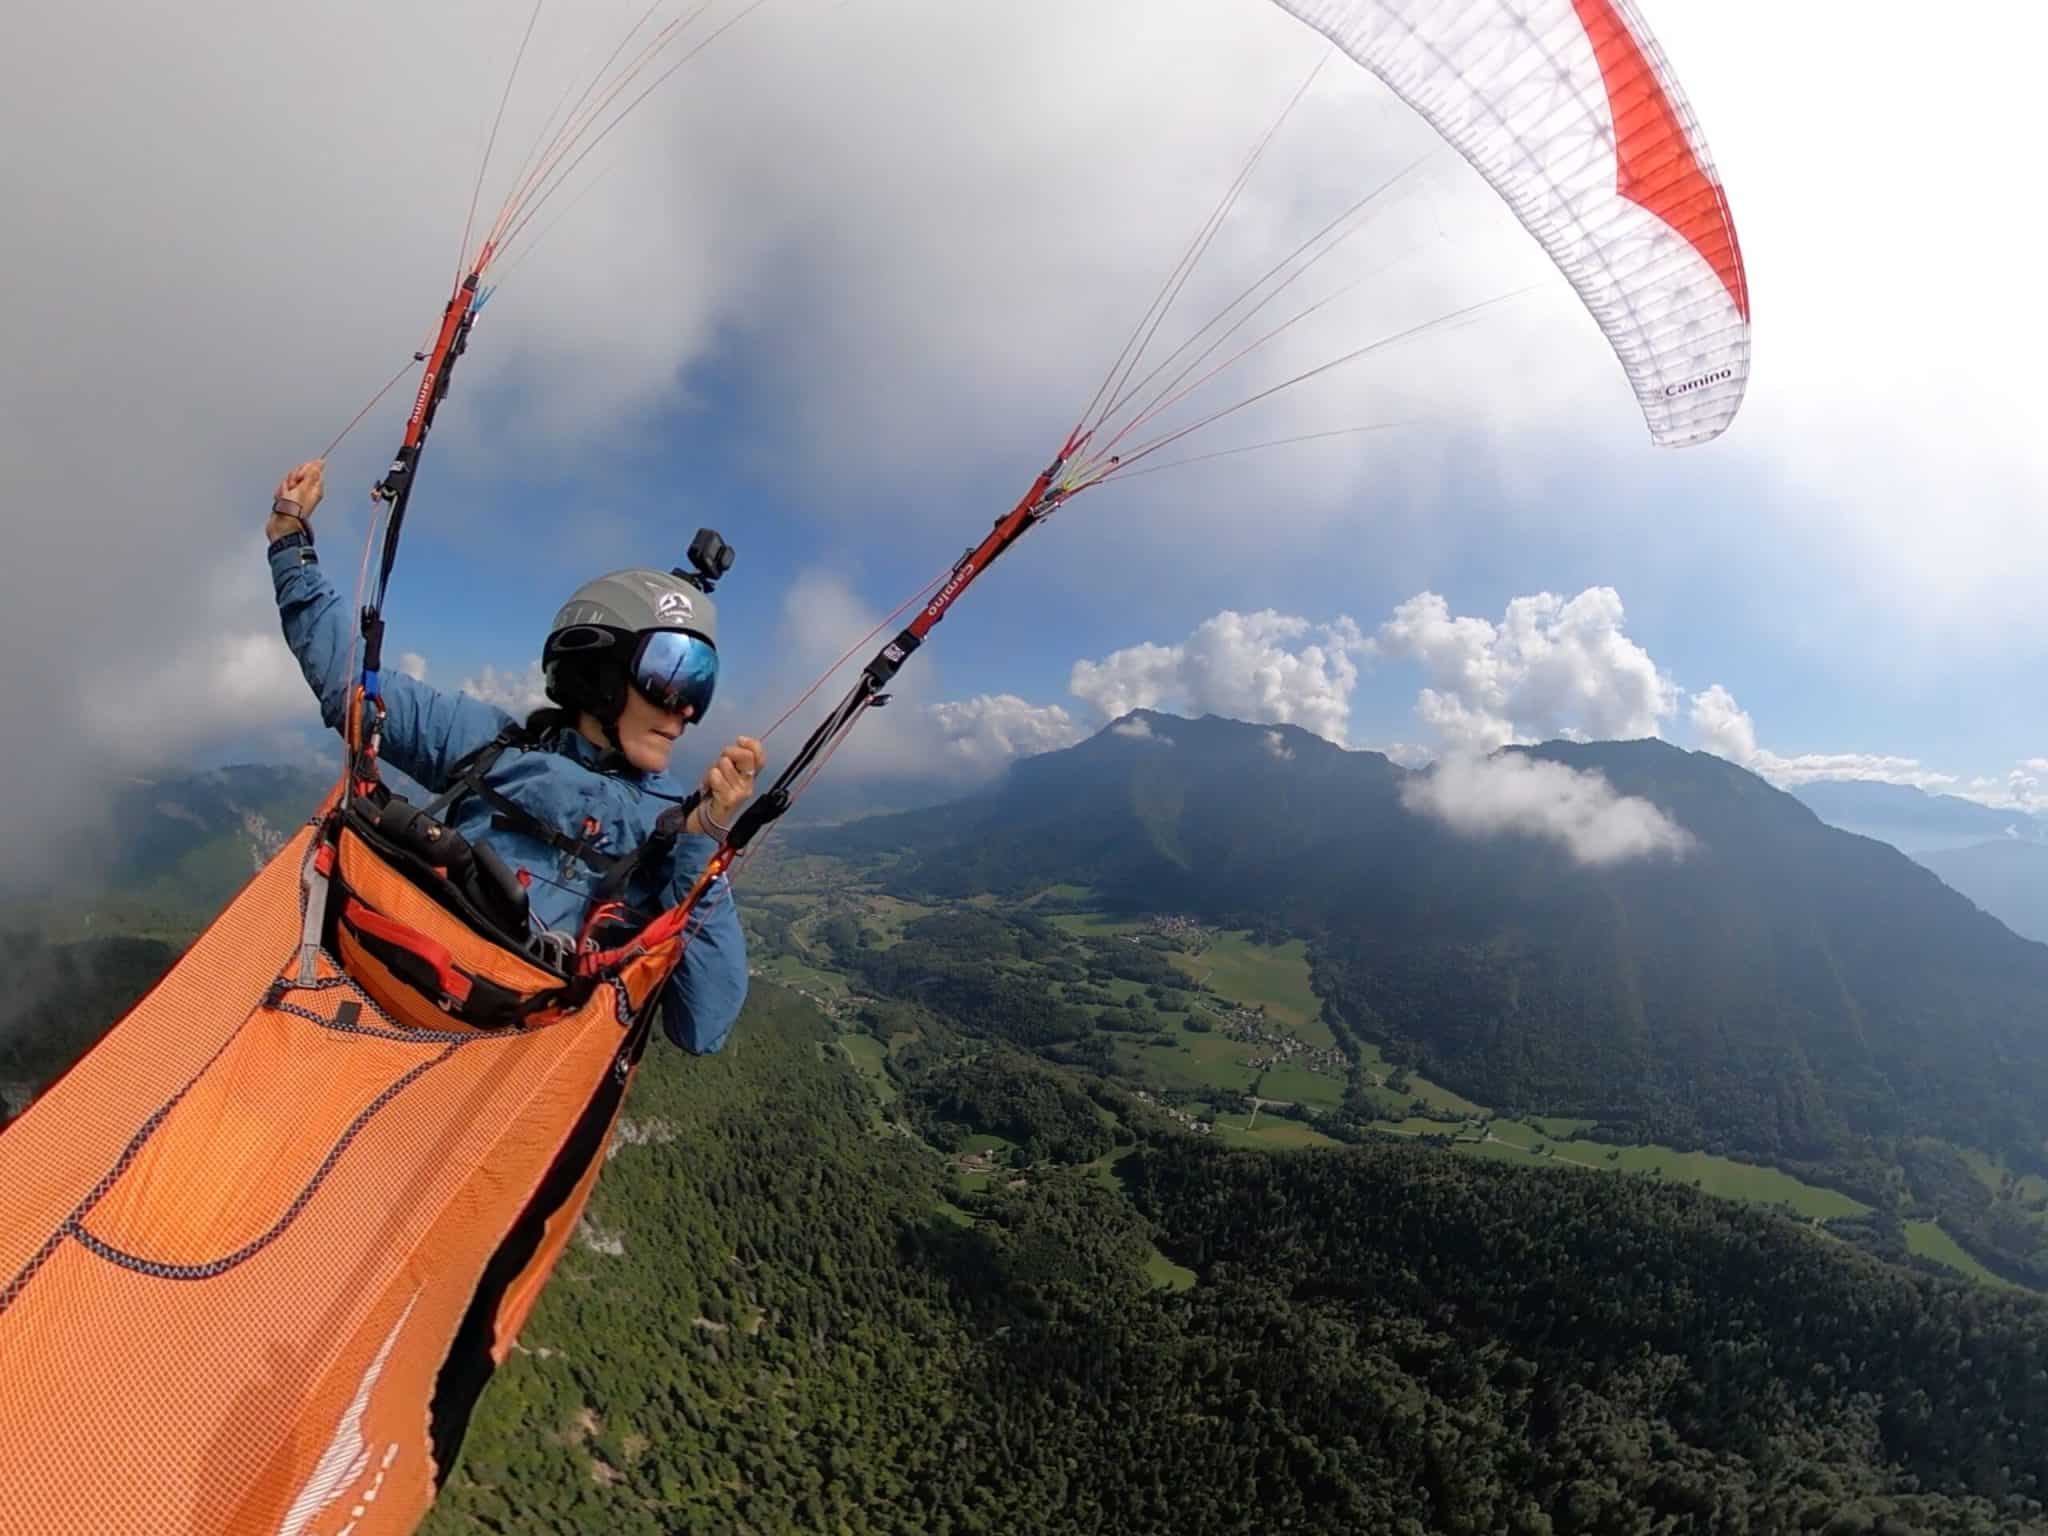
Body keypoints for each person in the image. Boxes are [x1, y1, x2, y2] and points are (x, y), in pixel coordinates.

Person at [265, 458, 765, 1054]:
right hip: (383, 1024)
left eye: (699, 688)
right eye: (671, 677)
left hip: (499, 1084)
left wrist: (703, 840)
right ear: (598, 672)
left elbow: (703, 1025)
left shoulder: (676, 830)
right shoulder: (488, 744)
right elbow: (351, 685)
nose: (685, 710)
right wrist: (290, 546)